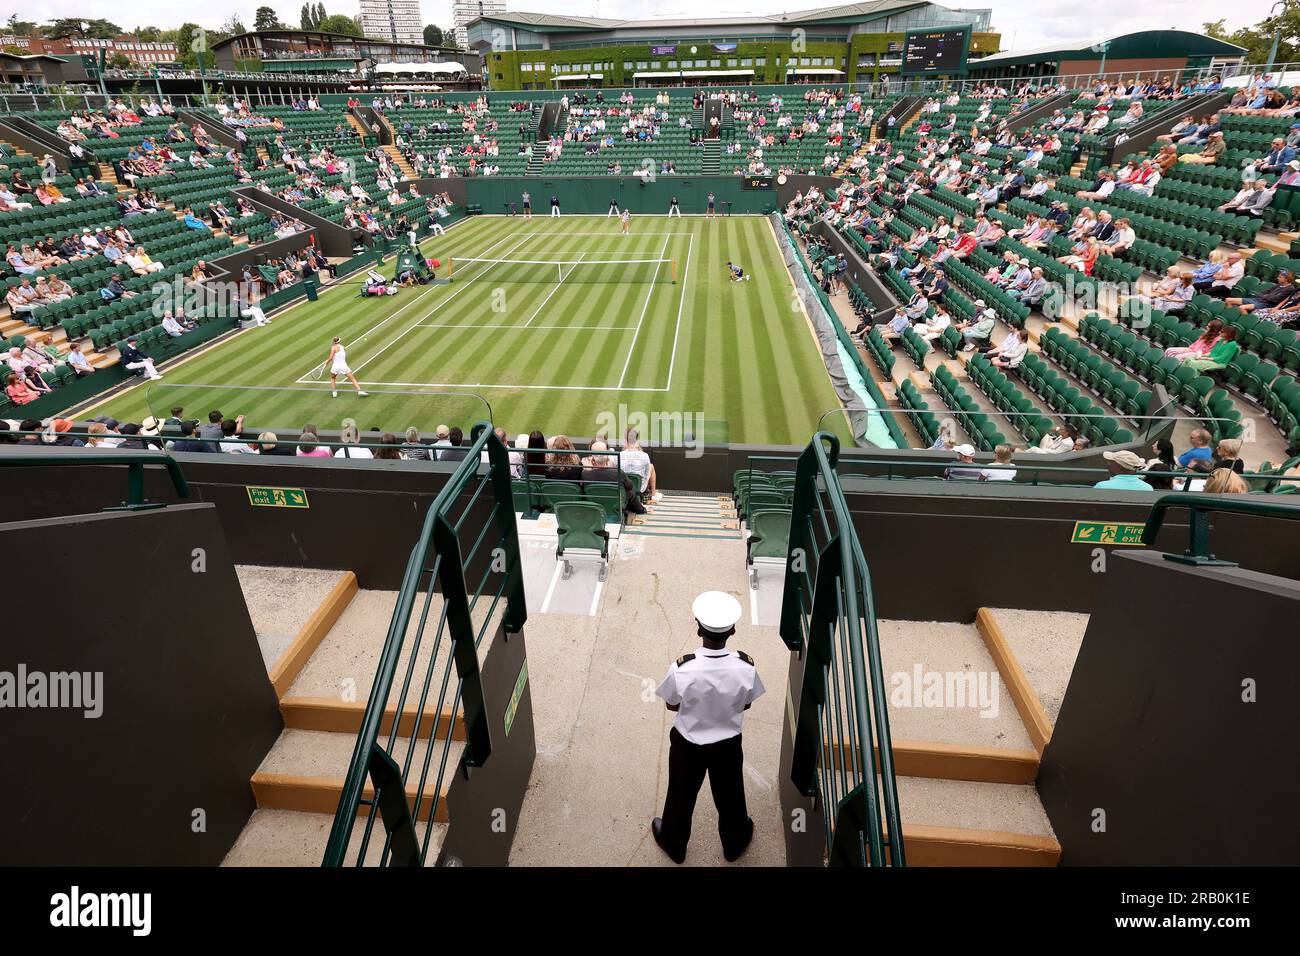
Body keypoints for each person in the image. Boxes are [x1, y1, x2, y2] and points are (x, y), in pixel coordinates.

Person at [652, 591, 764, 864]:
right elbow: (747, 704)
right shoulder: (745, 667)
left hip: (688, 744)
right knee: (731, 795)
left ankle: (674, 844)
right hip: (727, 745)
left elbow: (671, 704)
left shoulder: (682, 668)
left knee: (680, 794)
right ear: (733, 630)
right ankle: (735, 843)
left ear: (698, 627)